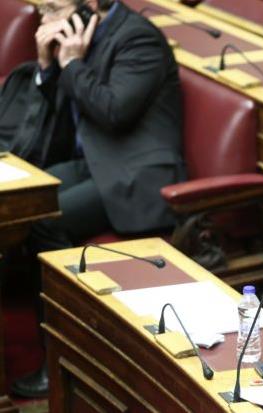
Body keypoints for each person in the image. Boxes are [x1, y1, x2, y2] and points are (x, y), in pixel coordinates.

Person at [10, 0, 186, 398]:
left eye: (52, 10)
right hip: (94, 162)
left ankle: (66, 353)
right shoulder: (81, 38)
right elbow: (56, 121)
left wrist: (72, 64)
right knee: (22, 203)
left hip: (135, 175)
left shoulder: (139, 40)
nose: (43, 21)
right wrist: (47, 66)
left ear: (87, 7)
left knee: (43, 222)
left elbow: (113, 111)